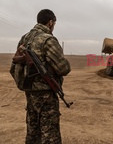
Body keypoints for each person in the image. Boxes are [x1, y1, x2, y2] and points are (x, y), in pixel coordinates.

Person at [10, 9, 71, 144]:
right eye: (54, 24)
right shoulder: (48, 39)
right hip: (46, 95)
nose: (53, 27)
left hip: (30, 92)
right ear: (50, 22)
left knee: (32, 132)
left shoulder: (25, 38)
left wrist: (28, 83)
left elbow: (13, 68)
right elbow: (64, 68)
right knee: (50, 136)